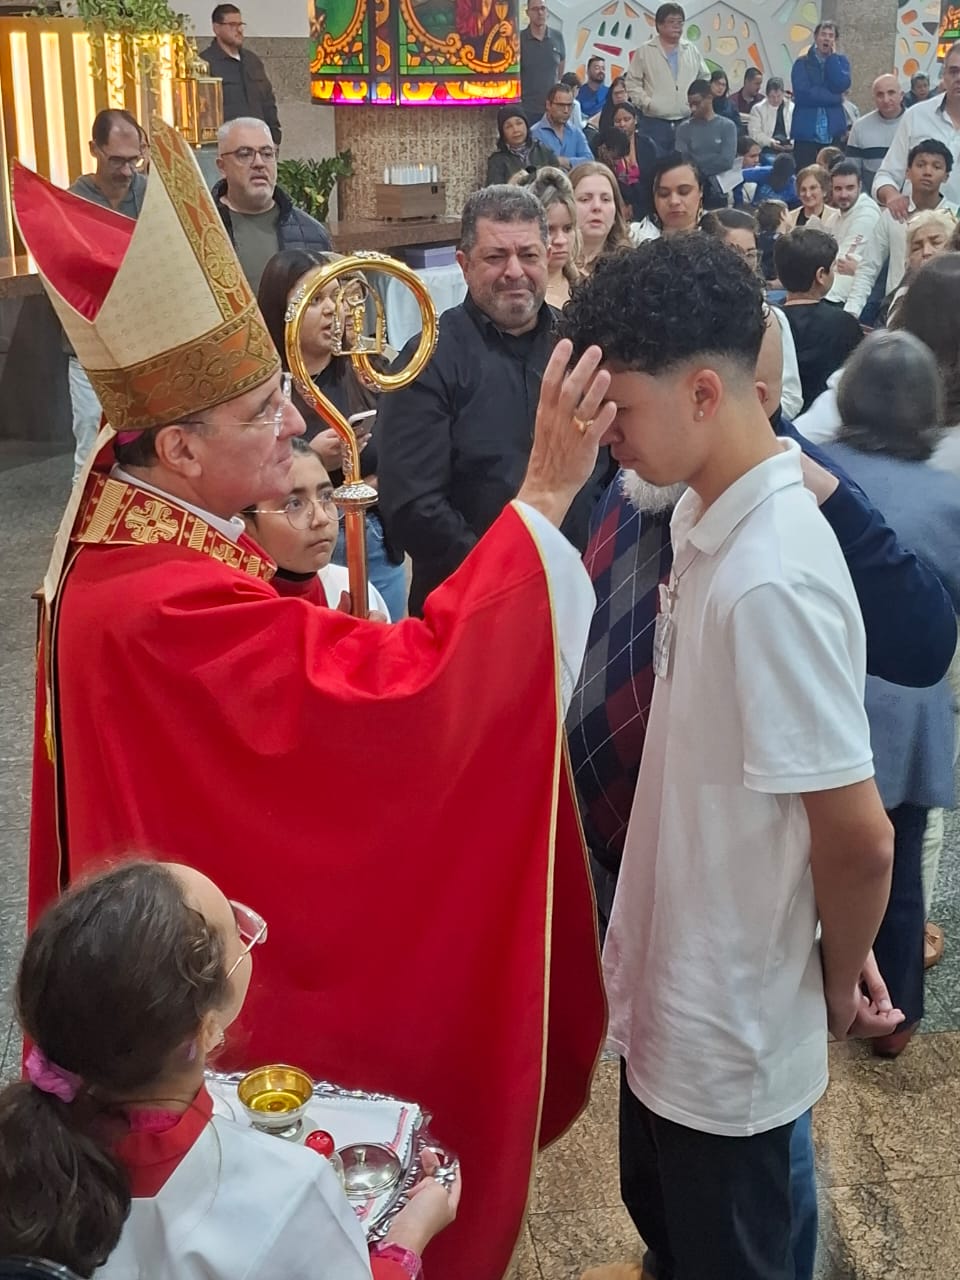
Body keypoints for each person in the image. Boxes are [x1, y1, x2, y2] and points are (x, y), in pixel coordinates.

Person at [15, 122, 608, 1280]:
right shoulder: (158, 605)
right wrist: (540, 502)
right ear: (177, 449)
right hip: (190, 1000)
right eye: (260, 418)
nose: (295, 426)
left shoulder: (135, 531)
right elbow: (386, 705)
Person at [564, 233, 896, 1280]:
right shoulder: (702, 512)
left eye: (623, 408)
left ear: (708, 390)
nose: (607, 435)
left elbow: (859, 834)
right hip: (679, 965)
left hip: (732, 1018)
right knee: (670, 1222)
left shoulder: (773, 578)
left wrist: (836, 972)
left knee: (733, 1252)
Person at [0, 860, 460, 1277]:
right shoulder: (289, 1191)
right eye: (235, 936)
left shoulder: (19, 1148)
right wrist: (405, 1244)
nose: (246, 936)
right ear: (203, 1030)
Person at [377, 184, 613, 615]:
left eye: (527, 255)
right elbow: (414, 506)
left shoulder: (580, 350)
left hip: (580, 590)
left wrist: (585, 560)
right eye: (495, 257)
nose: (514, 271)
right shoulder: (426, 358)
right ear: (463, 265)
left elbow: (609, 473)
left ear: (548, 256)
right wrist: (507, 573)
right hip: (467, 603)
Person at [822, 331, 960, 1057]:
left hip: (825, 685)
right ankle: (897, 1015)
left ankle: (817, 984)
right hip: (910, 705)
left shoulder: (819, 466)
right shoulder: (949, 492)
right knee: (900, 861)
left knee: (806, 845)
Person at [256, 249, 407, 620]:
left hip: (375, 537)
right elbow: (245, 477)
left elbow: (406, 455)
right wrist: (313, 461)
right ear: (281, 311)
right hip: (295, 548)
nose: (331, 310)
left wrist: (368, 486)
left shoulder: (369, 371)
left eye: (336, 296)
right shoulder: (265, 391)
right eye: (315, 299)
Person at [64, 109, 148, 482]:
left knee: (148, 445)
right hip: (91, 345)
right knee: (90, 444)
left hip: (145, 343)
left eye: (135, 159)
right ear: (94, 149)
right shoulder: (72, 203)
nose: (128, 170)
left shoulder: (150, 193)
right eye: (117, 160)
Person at [243, 438, 391, 616]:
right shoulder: (243, 611)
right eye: (294, 504)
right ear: (246, 525)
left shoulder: (350, 587)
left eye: (327, 496)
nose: (321, 518)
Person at [699, 209, 804, 418]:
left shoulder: (770, 317)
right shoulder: (690, 311)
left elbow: (791, 396)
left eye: (750, 254)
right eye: (735, 253)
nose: (745, 263)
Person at [212, 117, 331, 292]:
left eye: (267, 154)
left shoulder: (311, 233)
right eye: (245, 154)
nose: (259, 163)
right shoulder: (202, 227)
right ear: (222, 166)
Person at [844, 139, 956, 319]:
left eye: (936, 167)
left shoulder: (955, 216)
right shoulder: (892, 216)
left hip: (946, 311)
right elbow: (868, 267)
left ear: (946, 176)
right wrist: (851, 312)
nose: (927, 172)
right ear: (907, 172)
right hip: (897, 310)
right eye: (920, 165)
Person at [776, 226, 864, 409]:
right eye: (832, 268)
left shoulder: (769, 322)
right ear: (821, 275)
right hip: (830, 420)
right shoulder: (844, 324)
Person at [874, 41, 960, 219]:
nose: (959, 77)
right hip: (914, 228)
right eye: (954, 71)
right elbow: (886, 175)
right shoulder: (916, 116)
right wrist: (892, 196)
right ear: (943, 75)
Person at [624, 3, 709, 152]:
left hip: (687, 120)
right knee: (654, 168)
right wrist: (647, 103)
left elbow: (704, 77)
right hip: (654, 122)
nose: (677, 26)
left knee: (685, 166)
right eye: (672, 22)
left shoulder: (691, 49)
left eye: (680, 22)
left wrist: (697, 104)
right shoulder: (645, 50)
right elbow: (632, 82)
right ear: (659, 25)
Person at [199, 4, 281, 145]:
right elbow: (204, 111)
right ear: (216, 28)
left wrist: (274, 136)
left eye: (240, 24)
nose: (239, 30)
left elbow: (268, 101)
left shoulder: (252, 60)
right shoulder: (205, 63)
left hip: (259, 141)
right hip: (229, 144)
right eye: (232, 25)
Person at [515, 166, 583, 307]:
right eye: (549, 230)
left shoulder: (587, 290)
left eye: (567, 228)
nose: (561, 240)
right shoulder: (516, 295)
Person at [790, 21, 851, 170]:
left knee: (833, 174)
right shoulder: (802, 63)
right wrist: (836, 98)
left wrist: (832, 59)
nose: (827, 39)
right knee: (806, 173)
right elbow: (804, 94)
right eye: (823, 34)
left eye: (831, 36)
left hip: (833, 132)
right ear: (816, 37)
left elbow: (841, 84)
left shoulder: (841, 62)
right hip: (807, 132)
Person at [824, 160, 881, 303]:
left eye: (850, 188)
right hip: (832, 284)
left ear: (860, 186)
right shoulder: (834, 217)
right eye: (838, 189)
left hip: (854, 294)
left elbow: (843, 261)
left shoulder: (867, 214)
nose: (843, 194)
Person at [675, 79, 738, 208]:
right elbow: (684, 160)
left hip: (720, 188)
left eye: (697, 103)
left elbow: (726, 161)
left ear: (709, 98)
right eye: (690, 104)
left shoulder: (727, 126)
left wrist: (699, 169)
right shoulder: (684, 128)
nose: (693, 108)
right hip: (693, 186)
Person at [845, 74, 906, 197]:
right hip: (872, 203)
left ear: (901, 95)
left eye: (891, 93)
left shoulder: (916, 122)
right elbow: (853, 172)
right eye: (880, 95)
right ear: (874, 98)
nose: (886, 99)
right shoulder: (860, 127)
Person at [571, 162, 636, 267]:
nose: (597, 207)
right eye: (585, 199)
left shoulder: (632, 266)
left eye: (605, 199)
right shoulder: (549, 264)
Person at [610, 102, 659, 219]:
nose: (622, 124)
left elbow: (653, 179)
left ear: (635, 120)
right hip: (617, 204)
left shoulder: (647, 144)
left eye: (626, 119)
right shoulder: (607, 147)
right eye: (617, 121)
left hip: (645, 202)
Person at [519, 0, 565, 122]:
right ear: (527, 13)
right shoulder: (519, 39)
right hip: (527, 109)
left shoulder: (557, 37)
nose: (540, 13)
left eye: (542, 8)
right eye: (535, 9)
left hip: (552, 110)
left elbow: (560, 69)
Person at [530, 82, 594, 170]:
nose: (566, 110)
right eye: (561, 105)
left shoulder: (575, 132)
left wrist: (565, 161)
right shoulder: (535, 133)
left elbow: (589, 161)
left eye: (570, 105)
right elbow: (539, 166)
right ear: (548, 105)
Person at [485, 105, 557, 183]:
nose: (515, 130)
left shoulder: (543, 150)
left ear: (526, 125)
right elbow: (493, 193)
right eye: (508, 126)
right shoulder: (497, 160)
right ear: (503, 133)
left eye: (519, 123)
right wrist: (511, 185)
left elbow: (558, 180)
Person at [649, 151, 704, 235]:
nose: (674, 201)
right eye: (664, 194)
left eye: (684, 192)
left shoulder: (723, 236)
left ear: (700, 191)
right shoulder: (633, 240)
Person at [748, 77, 795, 159]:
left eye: (779, 96)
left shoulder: (792, 107)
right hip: (768, 148)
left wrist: (793, 143)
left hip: (789, 148)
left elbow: (797, 130)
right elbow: (754, 133)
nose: (776, 100)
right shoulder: (758, 109)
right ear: (767, 95)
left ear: (783, 94)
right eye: (772, 96)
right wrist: (770, 142)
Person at [786, 162, 839, 227]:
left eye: (813, 188)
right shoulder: (789, 218)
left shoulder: (837, 218)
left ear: (824, 190)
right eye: (803, 189)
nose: (808, 194)